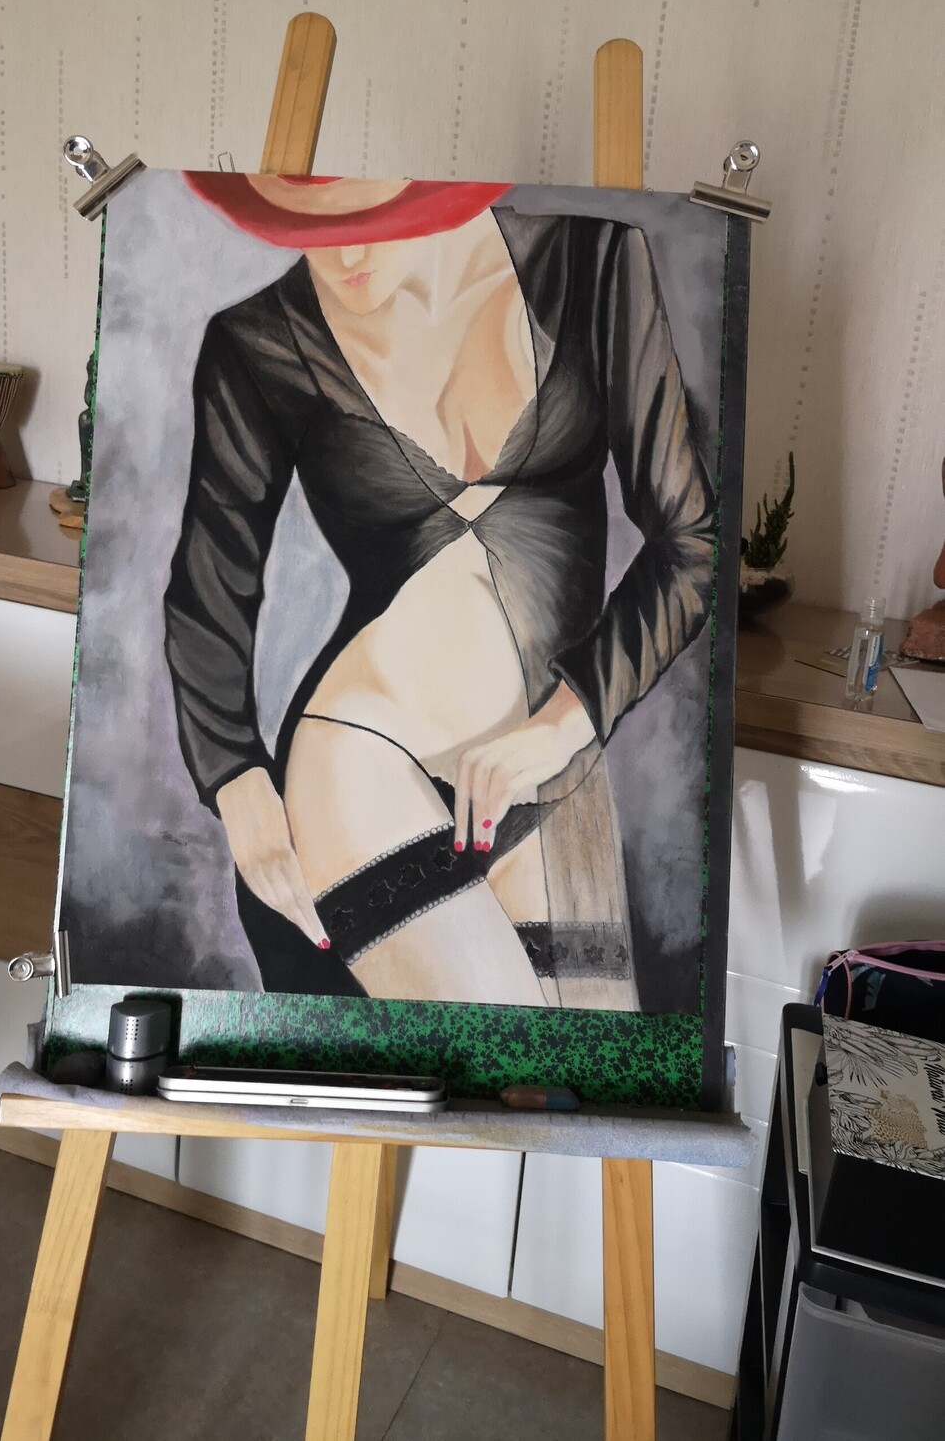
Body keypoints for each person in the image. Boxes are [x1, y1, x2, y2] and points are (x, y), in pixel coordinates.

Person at [163, 174, 715, 1010]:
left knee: (582, 1077)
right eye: (306, 226)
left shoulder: (590, 264)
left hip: (544, 768)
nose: (342, 254)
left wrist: (564, 725)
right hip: (360, 771)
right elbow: (210, 583)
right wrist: (233, 776)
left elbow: (689, 545)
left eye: (369, 218)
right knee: (498, 1068)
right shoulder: (260, 342)